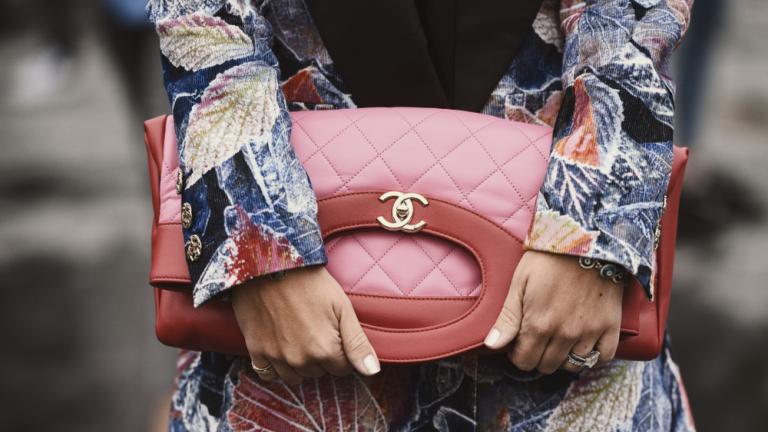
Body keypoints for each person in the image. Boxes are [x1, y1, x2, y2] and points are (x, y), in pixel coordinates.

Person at [147, 0, 696, 430]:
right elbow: (203, 19)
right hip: (287, 330)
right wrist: (260, 242)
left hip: (558, 311)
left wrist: (591, 230)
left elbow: (630, 22)